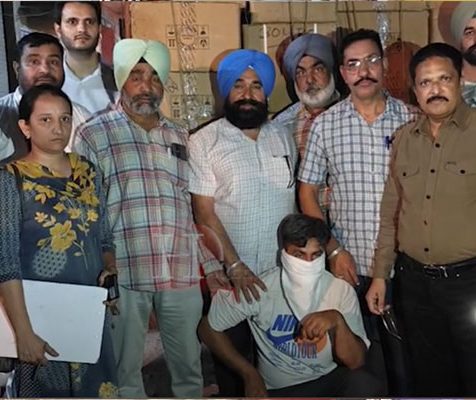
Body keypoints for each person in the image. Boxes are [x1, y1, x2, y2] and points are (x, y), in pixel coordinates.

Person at [366, 42, 476, 397]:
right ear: (415, 91)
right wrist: (381, 275)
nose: (435, 89)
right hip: (416, 286)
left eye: (444, 79)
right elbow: (391, 212)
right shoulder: (404, 140)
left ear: (459, 81)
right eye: (425, 82)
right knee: (430, 383)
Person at [72, 39, 219, 397]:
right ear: (122, 80)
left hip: (179, 268)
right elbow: (86, 209)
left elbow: (189, 205)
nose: (146, 86)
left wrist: (210, 264)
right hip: (125, 269)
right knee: (125, 372)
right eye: (136, 76)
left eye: (154, 77)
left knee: (189, 369)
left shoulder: (180, 135)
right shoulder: (94, 134)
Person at [298, 28, 417, 395]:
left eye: (371, 61)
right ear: (343, 73)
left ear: (385, 65)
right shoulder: (325, 125)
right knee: (361, 366)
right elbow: (307, 192)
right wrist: (333, 250)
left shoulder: (412, 119)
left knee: (408, 364)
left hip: (406, 264)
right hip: (349, 267)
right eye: (353, 64)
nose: (363, 71)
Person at [0, 84, 118, 397]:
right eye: (46, 120)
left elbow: (104, 237)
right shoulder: (8, 180)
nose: (58, 128)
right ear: (25, 127)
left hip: (86, 312)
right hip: (38, 315)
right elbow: (2, 261)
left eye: (65, 118)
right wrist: (23, 332)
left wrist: (109, 271)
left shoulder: (88, 173)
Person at [189, 49, 296, 396]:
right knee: (236, 376)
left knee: (283, 370)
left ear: (266, 93)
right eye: (238, 85)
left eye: (256, 86)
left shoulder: (284, 136)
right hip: (231, 278)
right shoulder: (204, 141)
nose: (247, 94)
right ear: (226, 92)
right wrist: (232, 265)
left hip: (281, 279)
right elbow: (203, 213)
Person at [198, 213, 383, 397]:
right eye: (299, 255)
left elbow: (356, 362)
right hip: (279, 390)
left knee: (365, 384)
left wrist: (337, 321)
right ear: (284, 253)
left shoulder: (340, 290)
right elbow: (207, 328)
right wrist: (249, 374)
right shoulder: (262, 288)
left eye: (316, 255)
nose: (308, 264)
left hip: (327, 381)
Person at [0, 32, 91, 168]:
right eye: (34, 62)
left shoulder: (83, 118)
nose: (45, 70)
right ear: (17, 69)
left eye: (53, 62)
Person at [274, 33, 341, 215]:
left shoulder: (356, 115)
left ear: (332, 71)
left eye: (317, 69)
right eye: (301, 72)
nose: (309, 80)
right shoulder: (282, 126)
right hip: (305, 225)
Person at [54, 1, 118, 115]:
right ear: (58, 30)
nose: (82, 29)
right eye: (72, 22)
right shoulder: (49, 81)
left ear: (99, 28)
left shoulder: (119, 81)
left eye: (89, 22)